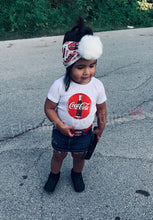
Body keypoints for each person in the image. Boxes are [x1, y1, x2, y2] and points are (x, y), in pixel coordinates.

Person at [44, 17, 107, 193]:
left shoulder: (97, 86)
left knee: (80, 157)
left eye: (92, 65)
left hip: (85, 134)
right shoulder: (59, 85)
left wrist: (100, 128)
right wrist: (60, 125)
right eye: (80, 67)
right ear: (68, 65)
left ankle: (76, 174)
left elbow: (101, 109)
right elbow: (49, 107)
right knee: (58, 155)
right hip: (61, 133)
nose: (87, 72)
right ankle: (54, 175)